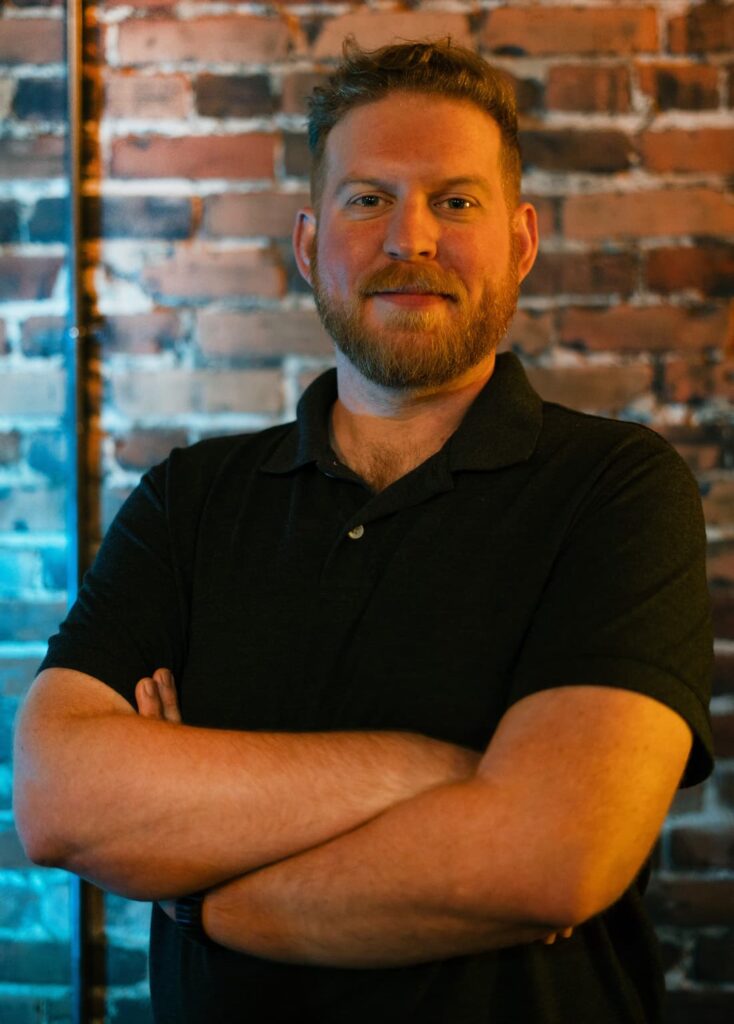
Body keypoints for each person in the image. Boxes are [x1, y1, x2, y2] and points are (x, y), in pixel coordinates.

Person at [14, 37, 713, 1024]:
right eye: (366, 199)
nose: (409, 239)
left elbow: (551, 856)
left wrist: (210, 893)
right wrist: (440, 774)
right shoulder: (192, 499)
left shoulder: (614, 490)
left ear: (519, 243)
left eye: (454, 201)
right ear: (308, 244)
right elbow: (59, 798)